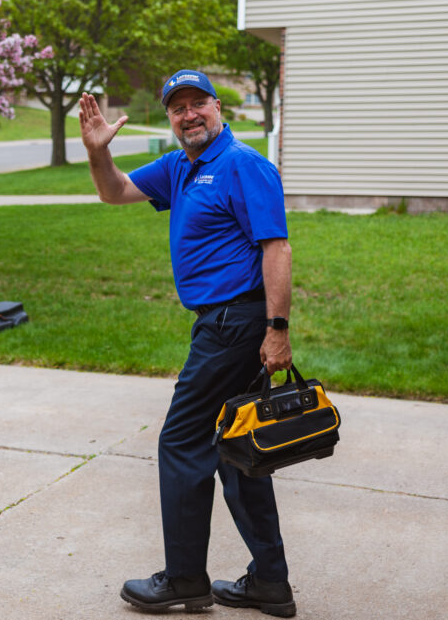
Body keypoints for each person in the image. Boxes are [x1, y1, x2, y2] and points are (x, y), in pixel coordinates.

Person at [78, 70, 297, 618]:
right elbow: (114, 192)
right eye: (178, 108)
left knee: (181, 443)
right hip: (220, 322)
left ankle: (183, 582)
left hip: (236, 323)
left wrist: (277, 330)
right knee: (238, 451)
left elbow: (277, 248)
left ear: (217, 107)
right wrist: (98, 153)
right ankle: (270, 582)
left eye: (198, 102)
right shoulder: (180, 166)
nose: (189, 114)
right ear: (170, 119)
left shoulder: (243, 165)